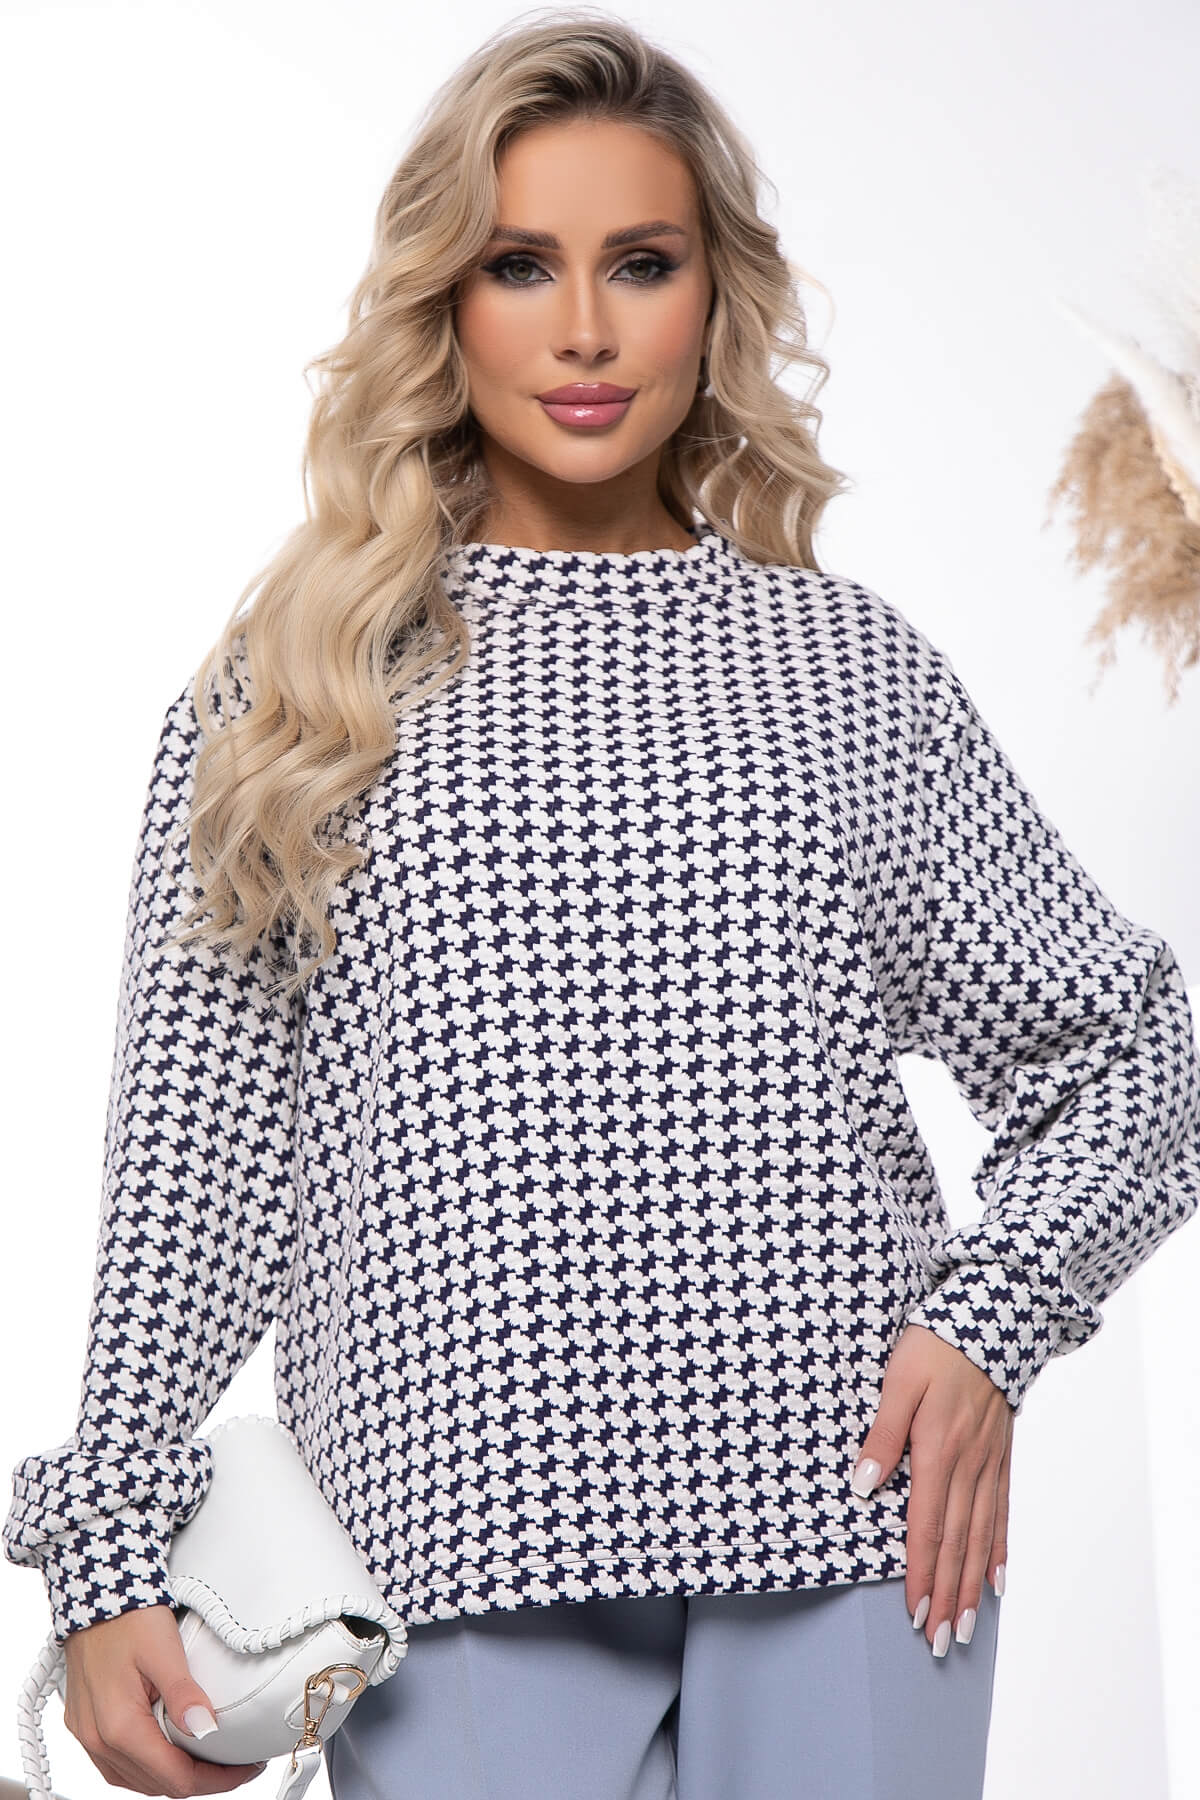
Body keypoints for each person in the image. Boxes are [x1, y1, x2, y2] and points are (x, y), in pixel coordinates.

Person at [6, 10, 1199, 1800]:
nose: (583, 329)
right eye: (520, 266)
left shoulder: (843, 671)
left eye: (641, 263)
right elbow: (197, 1170)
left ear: (715, 297)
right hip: (449, 1537)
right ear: (443, 299)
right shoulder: (297, 693)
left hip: (853, 1524)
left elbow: (1132, 1049)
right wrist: (108, 1549)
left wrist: (990, 1322)